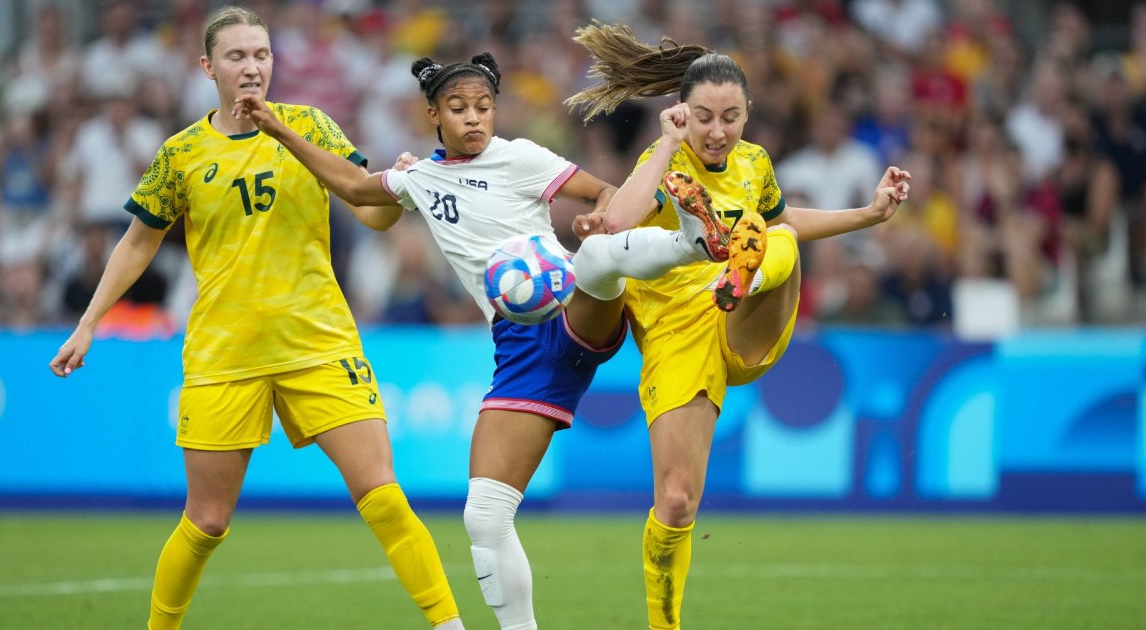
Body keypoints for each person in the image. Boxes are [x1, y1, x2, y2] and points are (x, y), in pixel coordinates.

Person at [232, 51, 729, 630]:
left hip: (574, 308)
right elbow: (351, 184)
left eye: (484, 107)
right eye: (459, 108)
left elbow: (604, 193)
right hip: (519, 350)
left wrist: (598, 217)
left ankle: (696, 242)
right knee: (485, 516)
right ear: (434, 116)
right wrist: (276, 127)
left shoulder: (521, 158)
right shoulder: (418, 178)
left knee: (594, 255)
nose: (474, 118)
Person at [47, 7, 463, 630]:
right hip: (224, 351)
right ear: (208, 67)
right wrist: (88, 323)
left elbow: (369, 208)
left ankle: (450, 626)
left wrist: (399, 191)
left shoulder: (309, 125)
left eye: (262, 54)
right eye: (237, 56)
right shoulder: (182, 153)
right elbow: (139, 241)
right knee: (207, 519)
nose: (252, 66)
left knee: (382, 495)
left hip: (318, 342)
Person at [564, 23, 912, 629]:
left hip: (745, 310)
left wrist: (871, 214)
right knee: (675, 502)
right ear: (682, 115)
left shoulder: (754, 164)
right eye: (703, 118)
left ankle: (741, 268)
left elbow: (790, 221)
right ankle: (665, 625)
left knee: (775, 237)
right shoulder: (661, 158)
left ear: (748, 115)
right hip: (678, 333)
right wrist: (667, 147)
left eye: (731, 117)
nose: (718, 131)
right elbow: (615, 223)